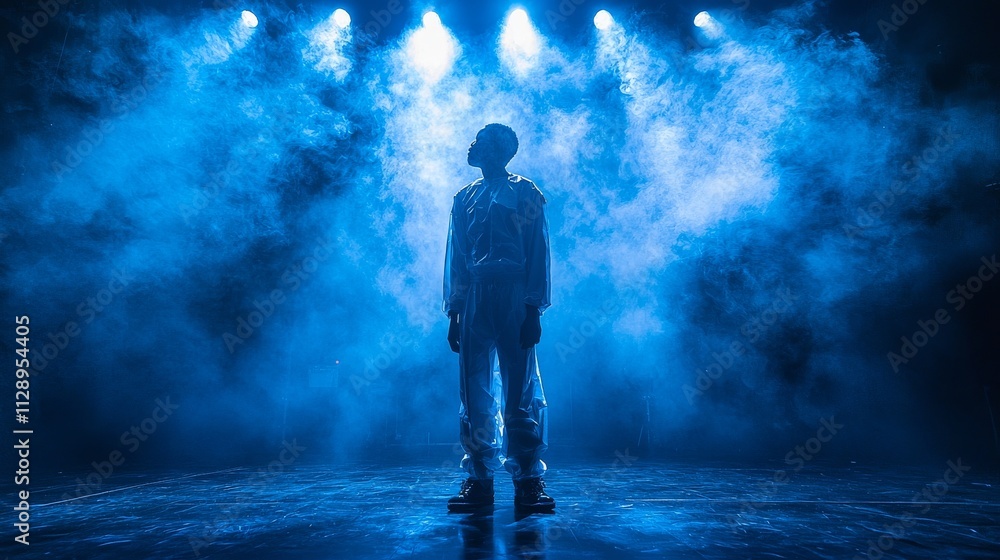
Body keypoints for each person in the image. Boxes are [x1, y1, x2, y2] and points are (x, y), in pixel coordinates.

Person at [443, 123, 554, 512]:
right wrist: (455, 312)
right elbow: (457, 259)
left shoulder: (525, 193)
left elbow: (537, 252)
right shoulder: (464, 198)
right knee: (473, 391)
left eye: (480, 140)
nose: (471, 144)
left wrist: (532, 308)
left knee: (520, 387)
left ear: (498, 150)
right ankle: (479, 477)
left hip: (512, 291)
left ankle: (528, 479)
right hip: (476, 293)